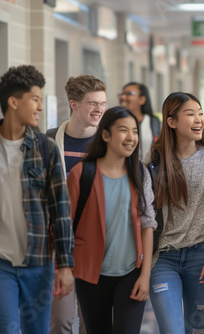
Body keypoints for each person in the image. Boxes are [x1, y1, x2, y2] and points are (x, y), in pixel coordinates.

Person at [0, 65, 74, 333]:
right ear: (13, 102)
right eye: (35, 99)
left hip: (38, 261)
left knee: (37, 330)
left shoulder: (46, 148)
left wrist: (65, 265)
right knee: (5, 329)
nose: (40, 107)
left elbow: (61, 211)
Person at [67, 106, 156, 333]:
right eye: (123, 131)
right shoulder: (81, 173)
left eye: (135, 131)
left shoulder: (140, 173)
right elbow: (65, 226)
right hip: (90, 275)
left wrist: (145, 275)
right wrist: (64, 268)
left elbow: (148, 224)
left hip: (131, 273)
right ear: (105, 135)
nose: (131, 138)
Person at [147, 92, 204, 334]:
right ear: (171, 122)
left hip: (201, 257)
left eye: (200, 113)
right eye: (190, 114)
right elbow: (145, 214)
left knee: (197, 330)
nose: (199, 120)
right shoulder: (153, 160)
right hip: (162, 259)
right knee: (172, 330)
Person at [47, 74, 107, 334]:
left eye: (103, 103)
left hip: (99, 242)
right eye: (92, 103)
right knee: (60, 321)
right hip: (59, 241)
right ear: (73, 104)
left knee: (92, 321)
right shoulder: (49, 142)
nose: (99, 110)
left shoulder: (108, 142)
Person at [119, 82, 161, 159]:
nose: (123, 97)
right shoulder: (117, 122)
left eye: (129, 94)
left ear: (142, 99)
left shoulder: (154, 122)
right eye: (122, 94)